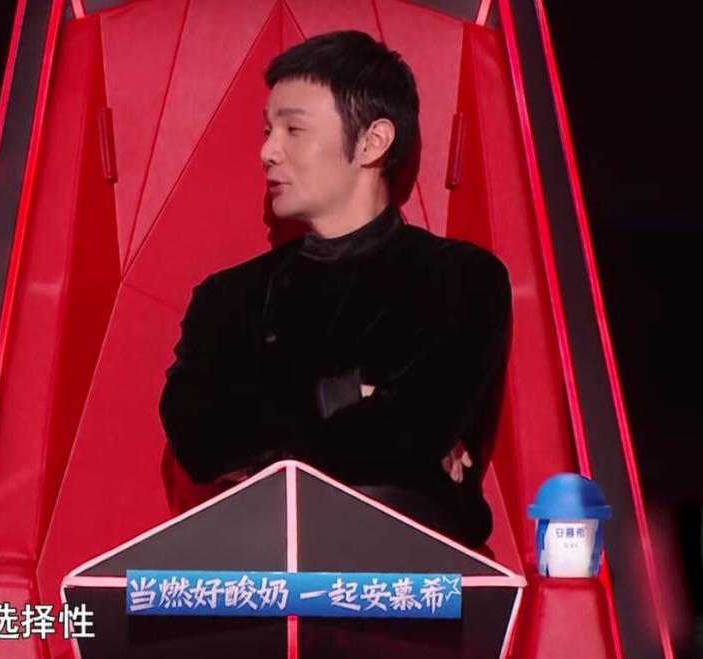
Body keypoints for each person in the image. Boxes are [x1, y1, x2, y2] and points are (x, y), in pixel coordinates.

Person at [158, 30, 512, 548]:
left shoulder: (462, 277)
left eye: (294, 129)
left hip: (409, 575)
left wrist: (260, 447)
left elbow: (411, 432)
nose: (268, 151)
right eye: (267, 130)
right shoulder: (228, 296)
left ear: (372, 141)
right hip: (255, 567)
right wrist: (347, 393)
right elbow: (198, 438)